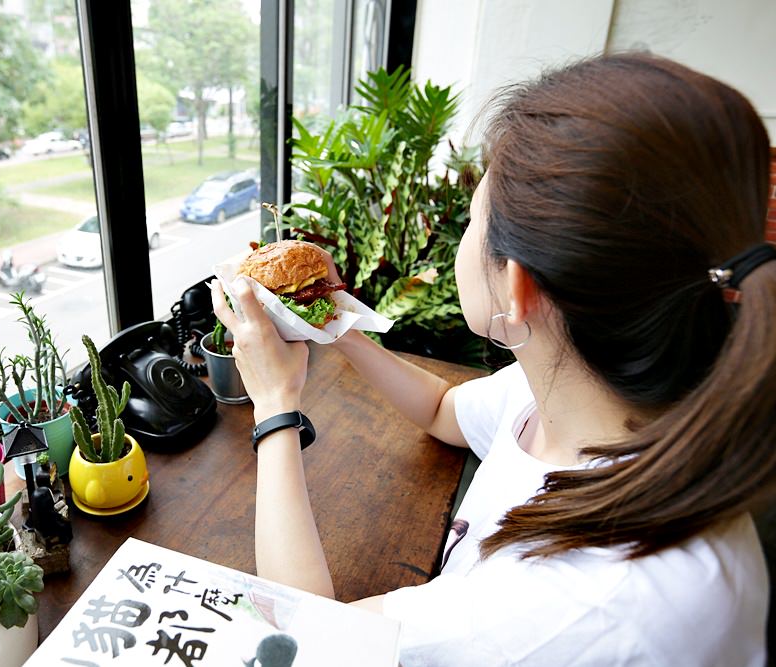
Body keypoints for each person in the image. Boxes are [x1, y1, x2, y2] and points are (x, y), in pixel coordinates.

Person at [211, 53, 774, 666]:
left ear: (518, 286)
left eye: (473, 222)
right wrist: (338, 324)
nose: (462, 240)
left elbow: (302, 640)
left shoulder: (580, 603)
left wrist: (274, 404)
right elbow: (446, 410)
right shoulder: (596, 391)